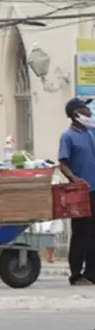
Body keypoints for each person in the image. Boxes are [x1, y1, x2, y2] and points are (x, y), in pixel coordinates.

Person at [58, 96, 95, 285]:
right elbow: (63, 164)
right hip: (81, 192)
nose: (89, 112)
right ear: (75, 113)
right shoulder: (68, 136)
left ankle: (91, 273)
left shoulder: (91, 131)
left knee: (93, 234)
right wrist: (74, 178)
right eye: (85, 109)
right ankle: (75, 274)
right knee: (81, 233)